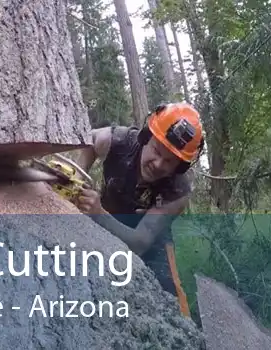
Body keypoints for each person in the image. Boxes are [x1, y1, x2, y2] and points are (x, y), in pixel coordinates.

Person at [73, 102, 205, 318]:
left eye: (169, 161)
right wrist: (78, 178)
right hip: (107, 216)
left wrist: (97, 213)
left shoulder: (178, 192)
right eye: (156, 151)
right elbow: (90, 140)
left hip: (151, 239)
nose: (159, 164)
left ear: (180, 167)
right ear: (145, 137)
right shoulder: (119, 140)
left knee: (170, 295)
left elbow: (140, 243)